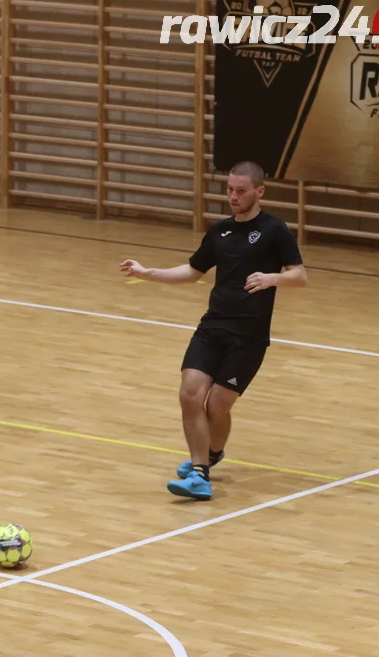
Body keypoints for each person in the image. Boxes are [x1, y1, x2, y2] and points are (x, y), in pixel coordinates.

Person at [120, 161, 307, 500]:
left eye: (241, 191)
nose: (233, 196)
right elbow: (192, 272)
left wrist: (272, 278)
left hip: (249, 337)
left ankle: (211, 452)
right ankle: (199, 473)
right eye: (230, 190)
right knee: (189, 392)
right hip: (212, 326)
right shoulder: (219, 231)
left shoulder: (274, 230)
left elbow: (300, 276)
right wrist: (146, 273)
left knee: (217, 408)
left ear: (259, 192)